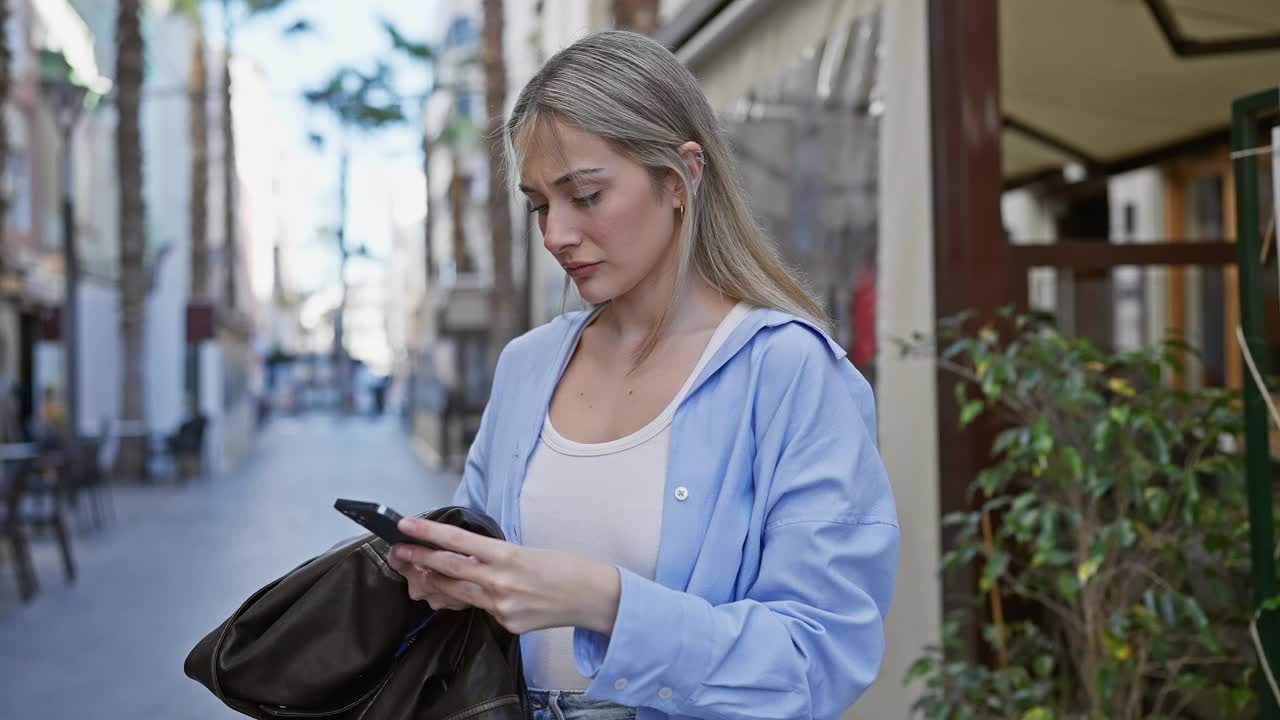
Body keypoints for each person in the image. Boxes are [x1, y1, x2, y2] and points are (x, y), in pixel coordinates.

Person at [386, 30, 898, 720]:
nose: (555, 234)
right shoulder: (527, 366)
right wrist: (443, 575)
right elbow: (483, 581)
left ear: (681, 176)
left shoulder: (790, 373)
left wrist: (602, 601)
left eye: (585, 196)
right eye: (540, 204)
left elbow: (818, 659)